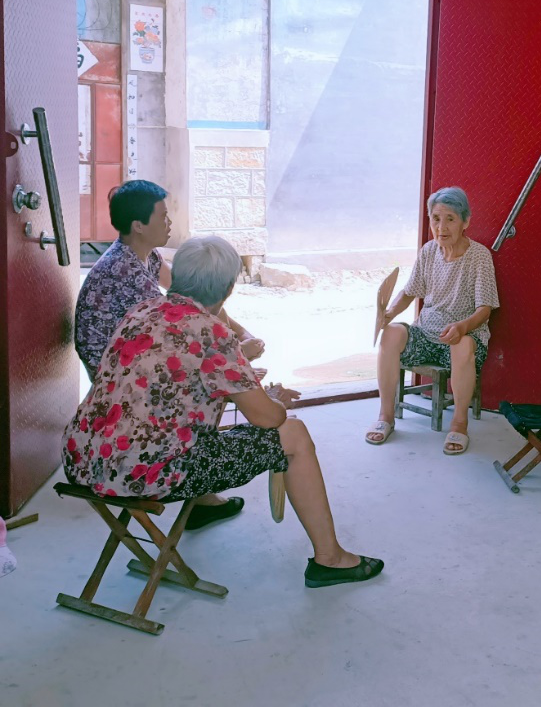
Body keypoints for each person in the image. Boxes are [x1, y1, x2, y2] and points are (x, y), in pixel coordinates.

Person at [62, 237, 383, 588]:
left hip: (83, 459)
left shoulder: (142, 312)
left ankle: (202, 505)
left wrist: (260, 397)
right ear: (229, 289)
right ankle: (330, 559)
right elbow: (268, 419)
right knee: (294, 433)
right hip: (143, 474)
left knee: (189, 423)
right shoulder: (212, 332)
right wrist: (275, 401)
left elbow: (169, 393)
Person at [74, 180, 266, 529]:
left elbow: (194, 297)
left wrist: (240, 335)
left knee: (211, 377)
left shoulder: (144, 256)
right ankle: (197, 492)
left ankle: (199, 494)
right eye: (163, 216)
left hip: (135, 359)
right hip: (117, 368)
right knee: (206, 386)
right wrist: (237, 355)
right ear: (138, 225)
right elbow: (173, 336)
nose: (170, 222)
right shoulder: (125, 273)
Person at [366, 186, 499, 455]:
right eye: (436, 219)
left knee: (463, 344)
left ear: (465, 222)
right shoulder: (428, 251)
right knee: (391, 333)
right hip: (426, 335)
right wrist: (388, 314)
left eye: (450, 219)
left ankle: (459, 424)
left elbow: (485, 309)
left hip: (462, 338)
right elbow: (409, 292)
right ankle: (385, 416)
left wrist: (462, 327)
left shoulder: (479, 256)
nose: (441, 227)